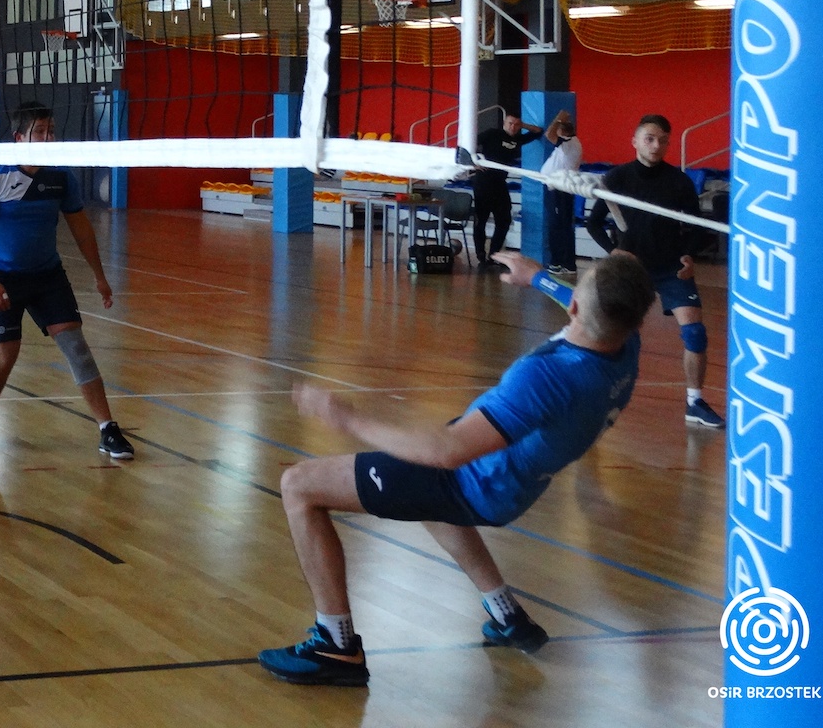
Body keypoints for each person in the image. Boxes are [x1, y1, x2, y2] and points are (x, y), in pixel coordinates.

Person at [257, 249, 654, 688]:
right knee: (424, 500)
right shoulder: (624, 345)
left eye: (576, 289)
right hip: (508, 482)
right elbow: (600, 307)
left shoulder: (550, 378)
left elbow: (447, 453)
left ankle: (336, 644)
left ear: (576, 306)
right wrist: (537, 278)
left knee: (299, 486)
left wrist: (347, 419)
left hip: (473, 481)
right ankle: (506, 614)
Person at [0, 101, 133, 461]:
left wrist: (100, 276)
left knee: (77, 347)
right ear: (19, 137)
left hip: (46, 275)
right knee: (5, 354)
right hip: (2, 277)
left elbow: (81, 229)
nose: (48, 137)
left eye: (51, 131)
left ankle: (107, 429)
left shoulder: (60, 176)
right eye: (40, 132)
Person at [585, 113, 723, 429]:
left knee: (695, 333)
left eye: (662, 140)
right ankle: (595, 399)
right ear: (635, 141)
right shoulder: (617, 178)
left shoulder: (679, 181)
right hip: (631, 271)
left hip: (671, 267)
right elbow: (594, 223)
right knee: (611, 334)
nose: (656, 145)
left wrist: (689, 254)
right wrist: (613, 251)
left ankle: (695, 403)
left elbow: (696, 226)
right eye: (649, 139)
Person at [471, 111, 540, 264]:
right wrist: (472, 162)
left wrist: (523, 124)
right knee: (481, 220)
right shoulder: (492, 133)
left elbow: (538, 131)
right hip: (483, 182)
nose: (513, 127)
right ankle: (480, 254)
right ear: (504, 123)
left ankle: (494, 255)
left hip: (500, 183)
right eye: (510, 123)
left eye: (516, 125)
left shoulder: (518, 139)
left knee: (504, 220)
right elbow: (469, 143)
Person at [538, 109, 581, 272]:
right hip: (556, 188)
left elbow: (548, 133)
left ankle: (558, 262)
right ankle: (566, 263)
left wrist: (558, 118)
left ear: (562, 132)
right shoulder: (568, 144)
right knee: (560, 225)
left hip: (559, 189)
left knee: (557, 226)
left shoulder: (568, 144)